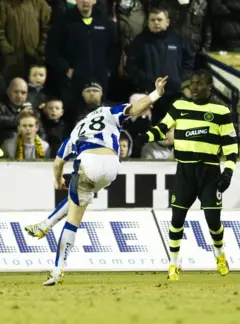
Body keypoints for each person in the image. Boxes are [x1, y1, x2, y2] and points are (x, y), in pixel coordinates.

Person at [23, 75, 168, 286]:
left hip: (88, 163)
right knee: (80, 198)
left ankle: (57, 270)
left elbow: (57, 164)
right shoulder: (107, 112)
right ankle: (45, 224)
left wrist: (57, 181)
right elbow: (136, 109)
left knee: (73, 221)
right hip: (112, 166)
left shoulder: (74, 134)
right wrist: (155, 94)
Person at [135, 69, 237, 280]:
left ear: (210, 86)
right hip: (185, 171)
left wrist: (227, 174)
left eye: (200, 83)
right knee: (176, 218)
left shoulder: (221, 112)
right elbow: (163, 128)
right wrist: (146, 136)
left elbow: (231, 148)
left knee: (213, 221)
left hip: (209, 173)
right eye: (192, 83)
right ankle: (174, 264)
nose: (195, 87)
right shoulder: (179, 106)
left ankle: (219, 254)